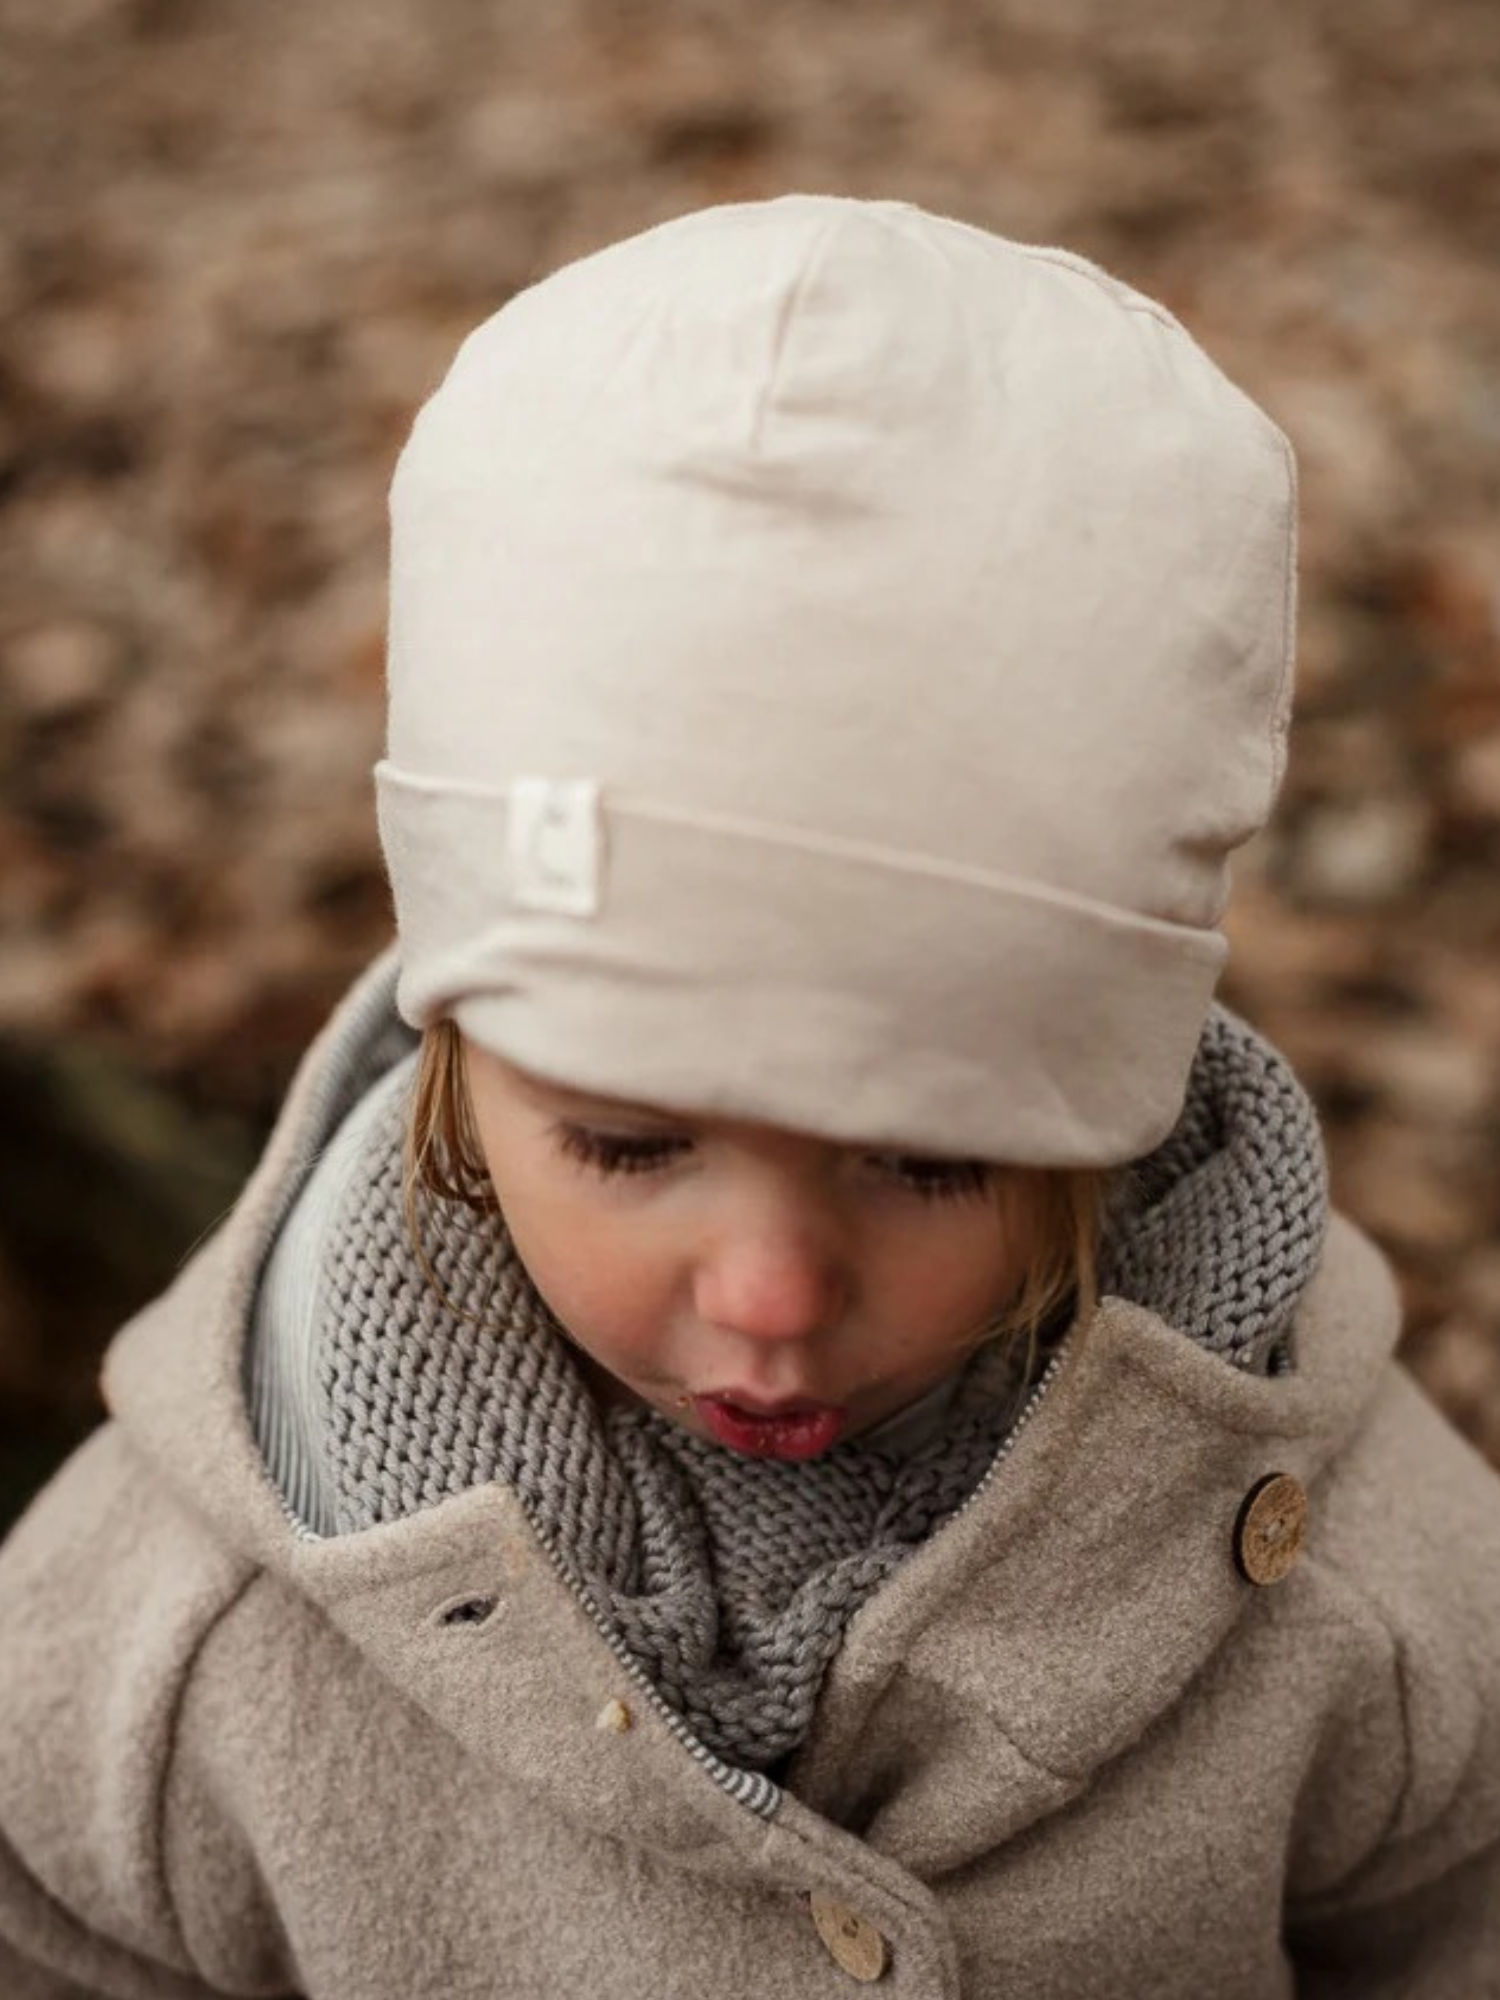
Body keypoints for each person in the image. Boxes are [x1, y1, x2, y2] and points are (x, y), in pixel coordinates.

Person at [1, 194, 1497, 2000]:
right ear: (464, 1059)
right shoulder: (183, 1638)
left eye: (933, 1160)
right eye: (630, 1145)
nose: (772, 1294)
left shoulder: (1342, 1571)